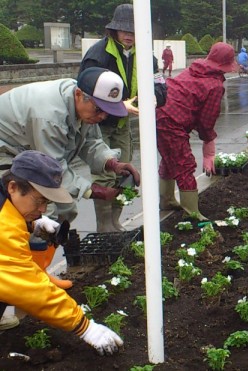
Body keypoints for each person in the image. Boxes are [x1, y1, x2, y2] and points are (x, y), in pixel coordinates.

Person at [0, 150, 123, 354]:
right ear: (13, 187)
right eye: (38, 201)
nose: (42, 209)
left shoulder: (6, 199)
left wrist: (31, 224)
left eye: (46, 202)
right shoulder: (5, 228)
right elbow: (31, 289)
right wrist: (84, 327)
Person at [0, 67, 141, 226]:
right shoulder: (50, 117)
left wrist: (112, 163)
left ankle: (48, 246)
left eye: (107, 112)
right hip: (5, 151)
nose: (102, 116)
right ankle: (25, 249)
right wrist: (94, 191)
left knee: (66, 210)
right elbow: (54, 169)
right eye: (99, 109)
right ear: (79, 95)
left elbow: (91, 141)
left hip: (28, 150)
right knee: (41, 214)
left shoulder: (84, 102)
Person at [80, 3, 166, 232]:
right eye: (125, 30)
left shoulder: (147, 56)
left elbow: (159, 85)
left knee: (124, 172)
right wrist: (118, 105)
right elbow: (85, 91)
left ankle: (115, 221)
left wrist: (153, 98)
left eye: (134, 30)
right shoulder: (98, 54)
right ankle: (103, 226)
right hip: (100, 123)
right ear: (114, 30)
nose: (129, 35)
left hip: (123, 123)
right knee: (104, 173)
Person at [156, 42, 238, 220]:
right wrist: (209, 146)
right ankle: (191, 211)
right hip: (172, 120)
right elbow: (207, 120)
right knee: (184, 163)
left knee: (170, 158)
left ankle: (167, 200)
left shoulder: (194, 68)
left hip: (158, 111)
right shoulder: (215, 85)